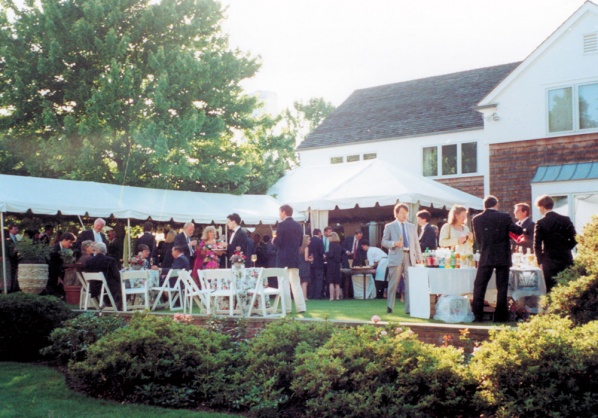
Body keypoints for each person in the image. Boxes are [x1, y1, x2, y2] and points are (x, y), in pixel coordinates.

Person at [472, 195, 523, 322]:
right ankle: (501, 316)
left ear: (484, 205)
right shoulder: (504, 217)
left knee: (479, 285)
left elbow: (478, 240)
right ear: (496, 204)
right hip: (502, 255)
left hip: (486, 254)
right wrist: (521, 226)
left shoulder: (477, 219)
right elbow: (517, 231)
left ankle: (477, 315)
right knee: (502, 286)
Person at [381, 203, 422, 314]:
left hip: (410, 257)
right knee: (393, 283)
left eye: (406, 213)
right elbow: (384, 242)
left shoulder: (412, 226)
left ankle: (408, 309)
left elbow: (416, 243)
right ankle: (390, 306)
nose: (405, 216)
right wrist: (394, 243)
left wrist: (419, 257)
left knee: (409, 284)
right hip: (396, 256)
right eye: (402, 213)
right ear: (396, 214)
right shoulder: (389, 226)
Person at [534, 195, 577, 292]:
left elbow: (537, 245)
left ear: (541, 207)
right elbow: (575, 238)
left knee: (551, 288)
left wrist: (540, 261)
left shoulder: (541, 222)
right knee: (567, 288)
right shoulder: (565, 219)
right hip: (566, 258)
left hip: (549, 260)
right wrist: (566, 248)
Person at [273, 204, 307, 313]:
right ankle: (301, 307)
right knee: (296, 283)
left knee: (284, 283)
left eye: (280, 212)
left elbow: (278, 242)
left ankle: (286, 308)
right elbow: (301, 243)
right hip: (294, 258)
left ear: (284, 212)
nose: (279, 214)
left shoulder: (281, 225)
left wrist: (273, 240)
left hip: (283, 258)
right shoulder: (298, 225)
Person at [85, 242, 122, 309]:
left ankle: (107, 304)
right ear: (105, 250)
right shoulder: (110, 260)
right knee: (123, 284)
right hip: (108, 287)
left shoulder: (89, 261)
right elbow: (117, 275)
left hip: (94, 287)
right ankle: (118, 307)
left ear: (95, 250)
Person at [46, 232, 76, 297]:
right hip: (52, 276)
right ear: (64, 240)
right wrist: (58, 276)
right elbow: (53, 266)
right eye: (70, 242)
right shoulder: (54, 250)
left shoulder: (65, 249)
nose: (71, 245)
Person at [308, 228, 325, 300]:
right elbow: (321, 252)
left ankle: (311, 294)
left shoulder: (310, 240)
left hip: (311, 262)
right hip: (319, 263)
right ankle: (318, 295)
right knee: (319, 279)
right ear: (319, 233)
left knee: (312, 279)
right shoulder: (319, 241)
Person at [326, 232, 343, 301]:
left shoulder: (331, 245)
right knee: (337, 282)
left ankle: (331, 297)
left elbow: (331, 255)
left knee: (331, 282)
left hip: (331, 264)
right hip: (337, 264)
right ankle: (337, 297)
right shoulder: (339, 245)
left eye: (329, 236)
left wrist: (326, 254)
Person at [5, 224, 20, 292]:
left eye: (17, 229)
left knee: (14, 273)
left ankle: (13, 288)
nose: (16, 230)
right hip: (10, 258)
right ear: (10, 230)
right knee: (10, 274)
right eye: (15, 229)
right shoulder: (7, 238)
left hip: (15, 258)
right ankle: (10, 288)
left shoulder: (15, 237)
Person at [298, 235, 313, 301]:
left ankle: (301, 297)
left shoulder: (299, 248)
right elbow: (306, 258)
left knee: (301, 282)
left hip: (299, 266)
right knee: (305, 282)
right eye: (309, 239)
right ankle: (305, 297)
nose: (310, 241)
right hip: (305, 266)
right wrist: (312, 259)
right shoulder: (306, 248)